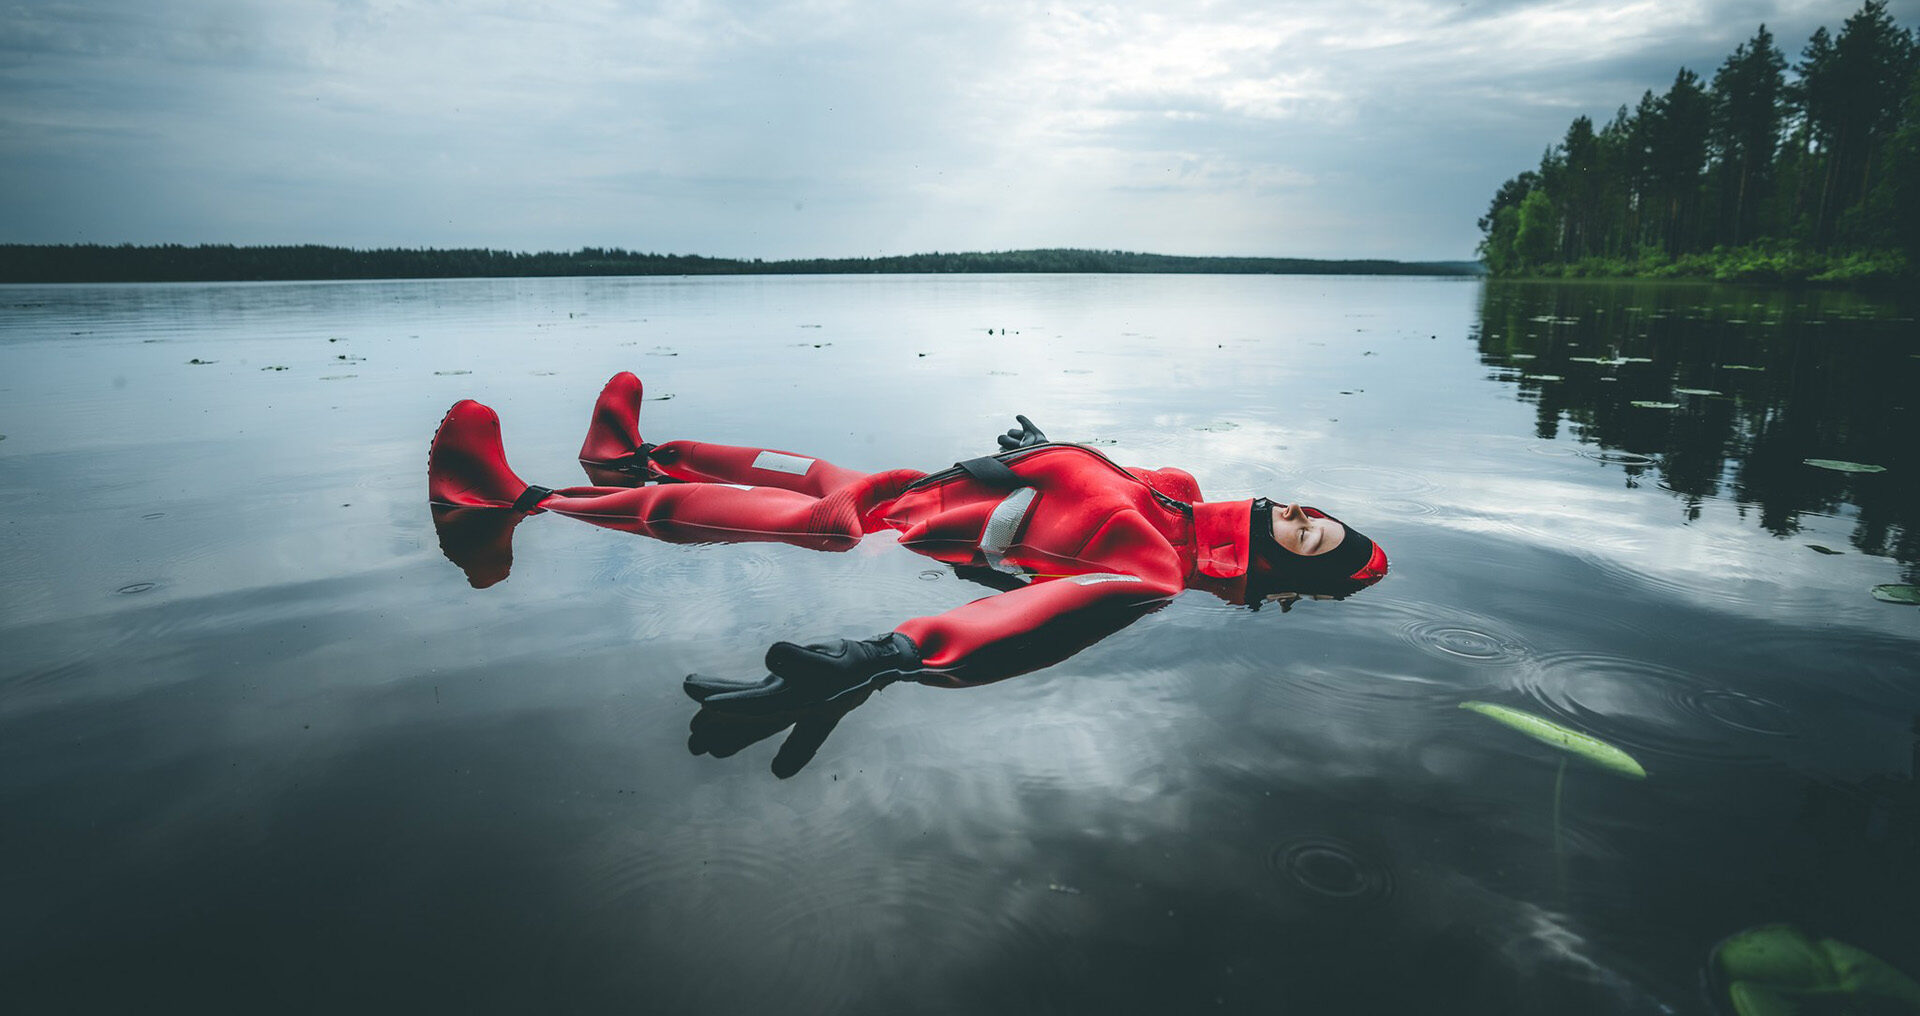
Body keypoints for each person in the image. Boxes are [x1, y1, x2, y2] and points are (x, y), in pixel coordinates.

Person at [428, 372, 1388, 731]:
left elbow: (1030, 618)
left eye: (1309, 531)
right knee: (801, 463)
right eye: (1313, 508)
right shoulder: (1171, 495)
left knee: (794, 506)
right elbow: (1085, 477)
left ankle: (511, 503)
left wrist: (887, 657)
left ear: (1275, 566)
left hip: (896, 530)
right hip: (916, 487)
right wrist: (1054, 450)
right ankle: (620, 457)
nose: (1297, 508)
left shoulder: (1154, 573)